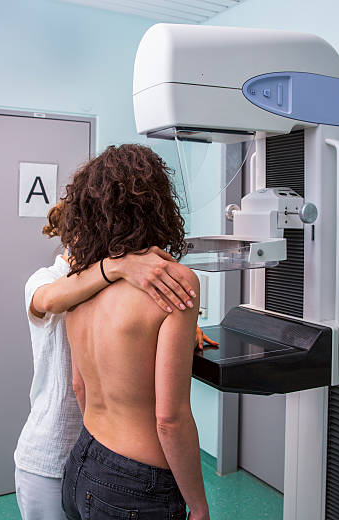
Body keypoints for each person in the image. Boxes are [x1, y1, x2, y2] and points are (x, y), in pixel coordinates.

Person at [14, 201, 215, 520]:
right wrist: (119, 267)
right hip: (48, 454)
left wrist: (183, 327)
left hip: (90, 452)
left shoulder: (98, 287)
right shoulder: (48, 280)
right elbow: (51, 300)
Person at [61, 144, 209, 520]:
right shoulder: (172, 281)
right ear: (157, 204)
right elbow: (169, 418)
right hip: (137, 489)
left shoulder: (78, 283)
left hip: (83, 462)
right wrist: (199, 505)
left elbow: (80, 385)